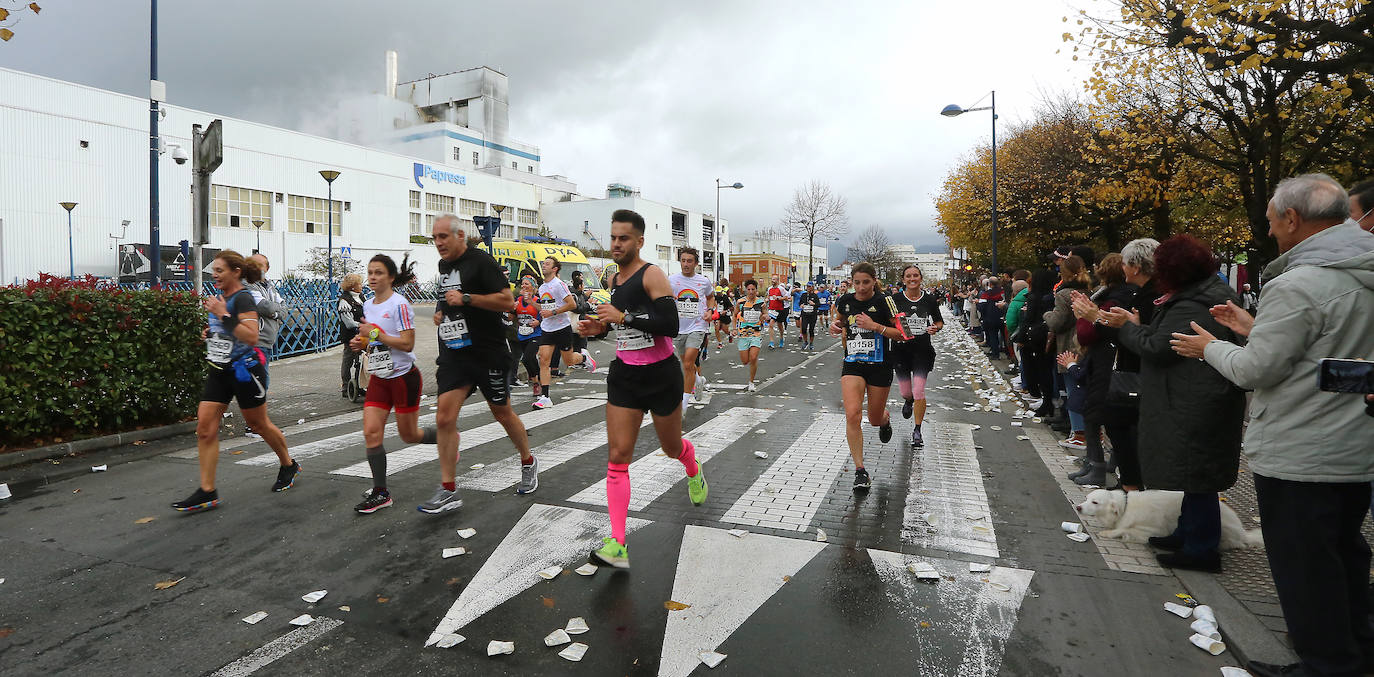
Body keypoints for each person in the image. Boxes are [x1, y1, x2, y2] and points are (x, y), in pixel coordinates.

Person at [1169, 175, 1374, 677]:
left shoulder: (1300, 282)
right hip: (1357, 442)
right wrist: (1255, 328)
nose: (1269, 228)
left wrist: (1209, 347)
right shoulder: (1361, 271)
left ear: (1292, 219)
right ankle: (1356, 647)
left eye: (1270, 220)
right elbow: (1327, 351)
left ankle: (1325, 662)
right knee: (1345, 551)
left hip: (1303, 446)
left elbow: (1255, 371)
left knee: (1306, 566)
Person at [1102, 234, 1245, 573]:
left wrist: (1127, 328)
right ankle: (1187, 533)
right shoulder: (1203, 294)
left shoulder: (1193, 305)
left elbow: (1160, 347)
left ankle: (1200, 548)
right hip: (1195, 395)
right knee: (1192, 473)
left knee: (1197, 475)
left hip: (1194, 399)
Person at [576, 209, 703, 568]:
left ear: (639, 241)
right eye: (613, 237)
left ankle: (692, 465)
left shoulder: (653, 274)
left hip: (661, 376)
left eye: (624, 238)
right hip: (625, 376)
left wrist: (624, 317)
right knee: (618, 457)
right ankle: (617, 543)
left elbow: (669, 323)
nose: (616, 244)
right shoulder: (615, 280)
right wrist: (595, 329)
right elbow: (618, 326)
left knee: (670, 446)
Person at [427, 215, 539, 513]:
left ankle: (528, 460)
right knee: (444, 417)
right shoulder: (444, 266)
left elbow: (506, 301)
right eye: (434, 238)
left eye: (443, 237)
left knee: (502, 413)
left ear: (460, 235)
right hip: (455, 354)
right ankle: (449, 489)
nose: (438, 243)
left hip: (488, 352)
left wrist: (466, 299)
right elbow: (445, 297)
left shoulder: (482, 262)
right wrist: (441, 311)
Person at [172, 251, 298, 512]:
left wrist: (222, 316)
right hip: (219, 369)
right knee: (205, 428)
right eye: (213, 270)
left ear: (236, 272)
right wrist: (210, 332)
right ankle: (207, 490)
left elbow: (251, 336)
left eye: (219, 270)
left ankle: (288, 464)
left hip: (246, 370)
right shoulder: (223, 298)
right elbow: (226, 330)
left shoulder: (243, 298)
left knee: (258, 424)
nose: (214, 275)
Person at [351, 254, 436, 514]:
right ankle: (381, 492)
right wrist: (361, 343)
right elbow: (372, 339)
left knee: (409, 435)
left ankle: (445, 437)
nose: (372, 277)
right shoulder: (367, 304)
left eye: (378, 273)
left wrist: (374, 334)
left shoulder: (399, 304)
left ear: (389, 277)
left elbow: (407, 343)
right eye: (370, 272)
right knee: (371, 432)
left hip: (403, 377)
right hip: (379, 377)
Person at [1082, 238, 1160, 493]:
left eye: (1127, 263)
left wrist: (1097, 318)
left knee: (1125, 428)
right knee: (1120, 425)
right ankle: (1128, 484)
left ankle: (1132, 488)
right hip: (1130, 373)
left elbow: (1149, 341)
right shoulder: (1142, 295)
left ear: (1136, 267)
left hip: (1137, 377)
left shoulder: (1152, 298)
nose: (1124, 268)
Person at [1063, 254, 1134, 487]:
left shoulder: (1112, 300)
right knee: (1109, 416)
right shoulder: (1119, 296)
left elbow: (1088, 333)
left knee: (1097, 415)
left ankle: (1098, 467)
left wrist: (1084, 316)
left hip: (1106, 363)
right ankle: (1100, 464)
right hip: (1108, 361)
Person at [829, 262, 898, 491]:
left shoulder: (885, 301)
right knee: (853, 415)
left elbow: (903, 333)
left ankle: (884, 420)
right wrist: (835, 326)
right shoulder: (845, 301)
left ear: (874, 280)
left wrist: (875, 326)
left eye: (866, 282)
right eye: (856, 282)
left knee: (874, 418)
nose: (860, 288)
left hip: (880, 366)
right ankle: (860, 470)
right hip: (853, 365)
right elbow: (839, 320)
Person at [889, 265, 943, 448]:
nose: (912, 279)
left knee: (919, 390)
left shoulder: (929, 300)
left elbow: (938, 321)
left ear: (921, 278)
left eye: (916, 276)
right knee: (906, 391)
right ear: (903, 279)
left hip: (922, 350)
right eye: (908, 276)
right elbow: (887, 321)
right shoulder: (895, 299)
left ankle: (917, 429)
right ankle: (908, 400)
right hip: (901, 350)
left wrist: (936, 328)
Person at [534, 256, 598, 409]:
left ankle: (583, 357)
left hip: (562, 327)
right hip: (547, 328)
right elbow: (544, 309)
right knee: (544, 360)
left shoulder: (559, 284)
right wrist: (531, 302)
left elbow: (572, 304)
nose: (544, 266)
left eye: (547, 264)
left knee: (569, 360)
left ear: (555, 269)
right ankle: (545, 397)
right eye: (543, 263)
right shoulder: (542, 287)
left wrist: (554, 312)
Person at [1044, 255, 1092, 448]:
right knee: (1085, 389)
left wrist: (1047, 314)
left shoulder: (1064, 295)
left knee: (1074, 390)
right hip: (1087, 344)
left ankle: (1078, 433)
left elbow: (1057, 322)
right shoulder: (1090, 291)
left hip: (1069, 347)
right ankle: (1086, 432)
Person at [669, 247, 715, 408]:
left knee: (688, 363)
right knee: (686, 364)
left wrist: (710, 310)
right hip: (679, 327)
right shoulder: (672, 280)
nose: (686, 264)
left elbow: (710, 297)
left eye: (689, 261)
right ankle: (698, 380)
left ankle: (684, 404)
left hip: (698, 325)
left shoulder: (703, 281)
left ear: (696, 263)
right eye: (683, 260)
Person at [512, 276, 544, 398]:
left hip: (536, 333)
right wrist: (511, 308)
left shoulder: (537, 299)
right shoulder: (517, 299)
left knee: (527, 358)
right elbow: (511, 317)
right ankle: (538, 381)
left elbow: (545, 314)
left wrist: (538, 322)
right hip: (522, 334)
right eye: (523, 284)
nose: (524, 285)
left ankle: (537, 381)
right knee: (530, 360)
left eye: (527, 284)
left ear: (532, 287)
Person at [734, 280, 766, 391]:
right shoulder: (740, 302)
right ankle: (752, 364)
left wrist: (765, 317)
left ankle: (751, 382)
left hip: (756, 333)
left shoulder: (761, 303)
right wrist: (734, 328)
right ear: (745, 290)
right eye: (749, 289)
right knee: (745, 361)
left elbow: (765, 313)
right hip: (743, 334)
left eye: (753, 289)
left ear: (756, 290)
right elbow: (734, 315)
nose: (751, 291)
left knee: (753, 357)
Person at [338, 273, 366, 397]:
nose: (362, 285)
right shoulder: (344, 300)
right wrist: (362, 325)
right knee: (348, 361)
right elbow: (348, 323)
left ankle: (361, 384)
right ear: (352, 286)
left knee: (363, 359)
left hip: (363, 334)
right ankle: (345, 387)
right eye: (359, 283)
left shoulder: (361, 297)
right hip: (350, 335)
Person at [797, 282, 821, 351]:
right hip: (805, 314)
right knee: (803, 329)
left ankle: (811, 343)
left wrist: (813, 304)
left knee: (811, 330)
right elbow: (800, 303)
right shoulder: (803, 295)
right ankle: (805, 342)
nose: (808, 288)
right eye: (807, 286)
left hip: (812, 315)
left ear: (812, 287)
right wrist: (801, 305)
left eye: (809, 286)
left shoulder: (815, 296)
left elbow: (818, 304)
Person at [766, 274, 787, 348]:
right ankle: (771, 342)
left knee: (780, 326)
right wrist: (767, 299)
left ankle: (781, 338)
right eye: (772, 279)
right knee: (771, 325)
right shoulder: (769, 289)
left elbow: (787, 297)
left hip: (780, 310)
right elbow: (768, 296)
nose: (772, 281)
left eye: (774, 279)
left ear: (777, 281)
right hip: (772, 309)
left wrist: (778, 298)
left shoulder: (781, 289)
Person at [713, 278, 734, 349]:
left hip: (725, 316)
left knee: (725, 330)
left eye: (719, 292)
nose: (718, 294)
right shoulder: (715, 298)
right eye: (717, 292)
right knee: (716, 329)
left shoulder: (725, 298)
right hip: (717, 315)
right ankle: (720, 343)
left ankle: (729, 334)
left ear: (722, 292)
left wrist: (725, 311)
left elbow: (731, 307)